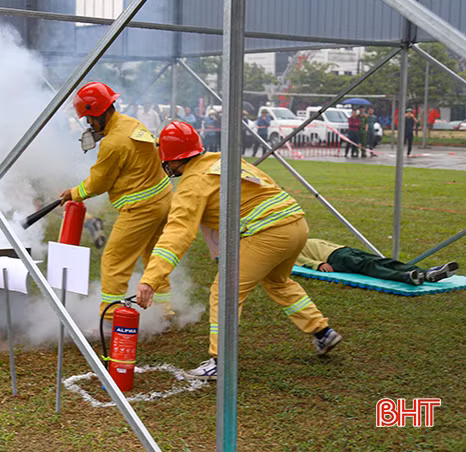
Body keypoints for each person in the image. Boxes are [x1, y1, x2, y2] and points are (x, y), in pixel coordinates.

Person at [136, 121, 341, 379]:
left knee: (224, 291)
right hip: (296, 223)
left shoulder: (191, 185)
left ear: (171, 158)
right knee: (278, 282)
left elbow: (176, 235)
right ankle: (322, 332)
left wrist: (151, 279)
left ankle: (220, 361)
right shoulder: (223, 160)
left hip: (269, 232)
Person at [59, 82, 173, 322]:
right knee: (154, 256)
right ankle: (163, 311)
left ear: (99, 112)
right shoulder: (132, 123)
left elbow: (99, 182)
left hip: (141, 208)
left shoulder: (112, 144)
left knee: (114, 260)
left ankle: (110, 318)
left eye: (89, 119)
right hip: (163, 198)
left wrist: (74, 193)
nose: (89, 125)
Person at [296, 238, 458, 285]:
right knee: (371, 267)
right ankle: (405, 277)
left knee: (384, 261)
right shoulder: (288, 249)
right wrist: (318, 265)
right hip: (335, 259)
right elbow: (300, 260)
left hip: (344, 250)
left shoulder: (301, 237)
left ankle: (427, 273)